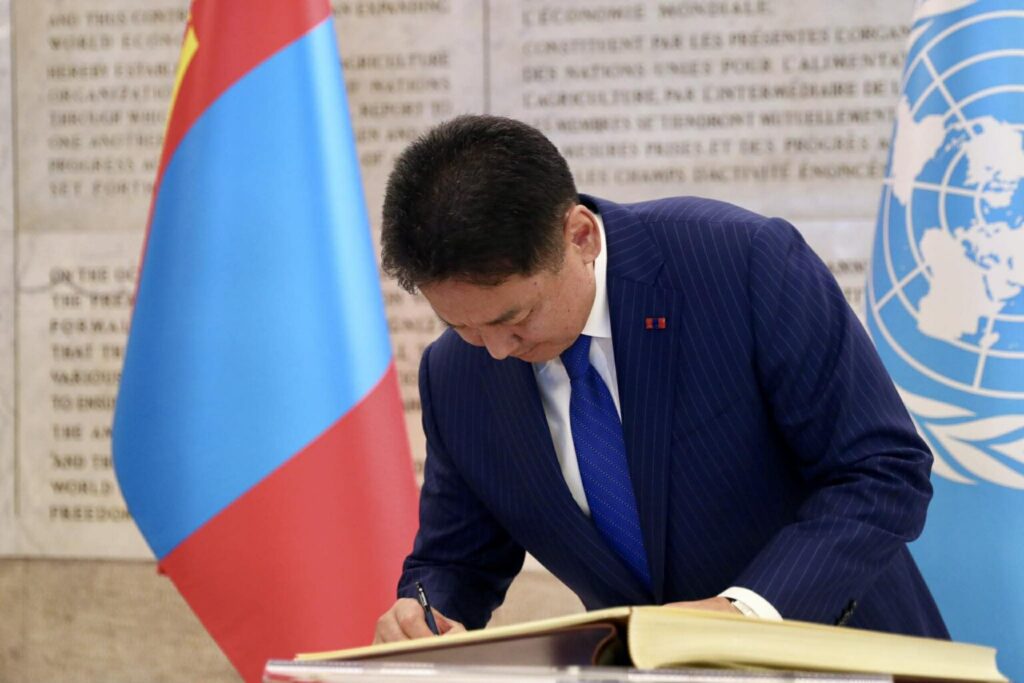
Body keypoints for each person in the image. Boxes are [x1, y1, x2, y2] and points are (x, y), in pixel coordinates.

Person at [372, 115, 948, 643]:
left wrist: (746, 612)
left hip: (843, 658)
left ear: (580, 237)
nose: (497, 350)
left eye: (513, 317)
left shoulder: (740, 263)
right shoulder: (456, 374)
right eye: (462, 326)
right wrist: (421, 616)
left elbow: (882, 470)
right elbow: (458, 561)